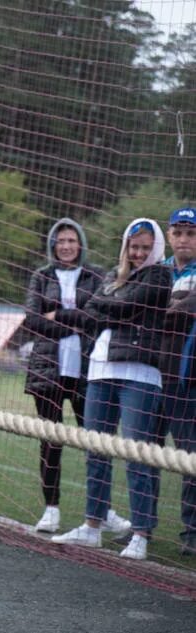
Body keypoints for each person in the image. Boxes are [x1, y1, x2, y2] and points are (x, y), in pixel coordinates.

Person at [52, 218, 172, 561]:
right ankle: (93, 524)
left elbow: (118, 306)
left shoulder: (160, 275)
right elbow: (95, 313)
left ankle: (140, 532)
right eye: (134, 247)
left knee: (137, 454)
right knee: (96, 450)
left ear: (156, 248)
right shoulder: (110, 275)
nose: (138, 253)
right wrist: (113, 306)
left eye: (146, 248)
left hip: (140, 374)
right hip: (100, 370)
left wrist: (109, 305)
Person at [21, 219, 105, 533]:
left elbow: (96, 317)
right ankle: (51, 509)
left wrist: (57, 316)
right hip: (48, 372)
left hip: (87, 371)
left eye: (72, 240)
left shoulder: (96, 275)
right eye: (61, 241)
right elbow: (31, 320)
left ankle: (101, 511)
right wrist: (72, 324)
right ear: (53, 245)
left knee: (95, 443)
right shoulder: (41, 277)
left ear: (80, 243)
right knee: (51, 443)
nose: (66, 246)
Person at [157, 207, 196, 555]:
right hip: (151, 372)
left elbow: (183, 309)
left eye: (191, 233)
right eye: (178, 232)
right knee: (144, 453)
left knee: (190, 458)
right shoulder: (158, 270)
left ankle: (191, 533)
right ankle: (142, 529)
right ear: (169, 235)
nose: (184, 239)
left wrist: (173, 305)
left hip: (187, 379)